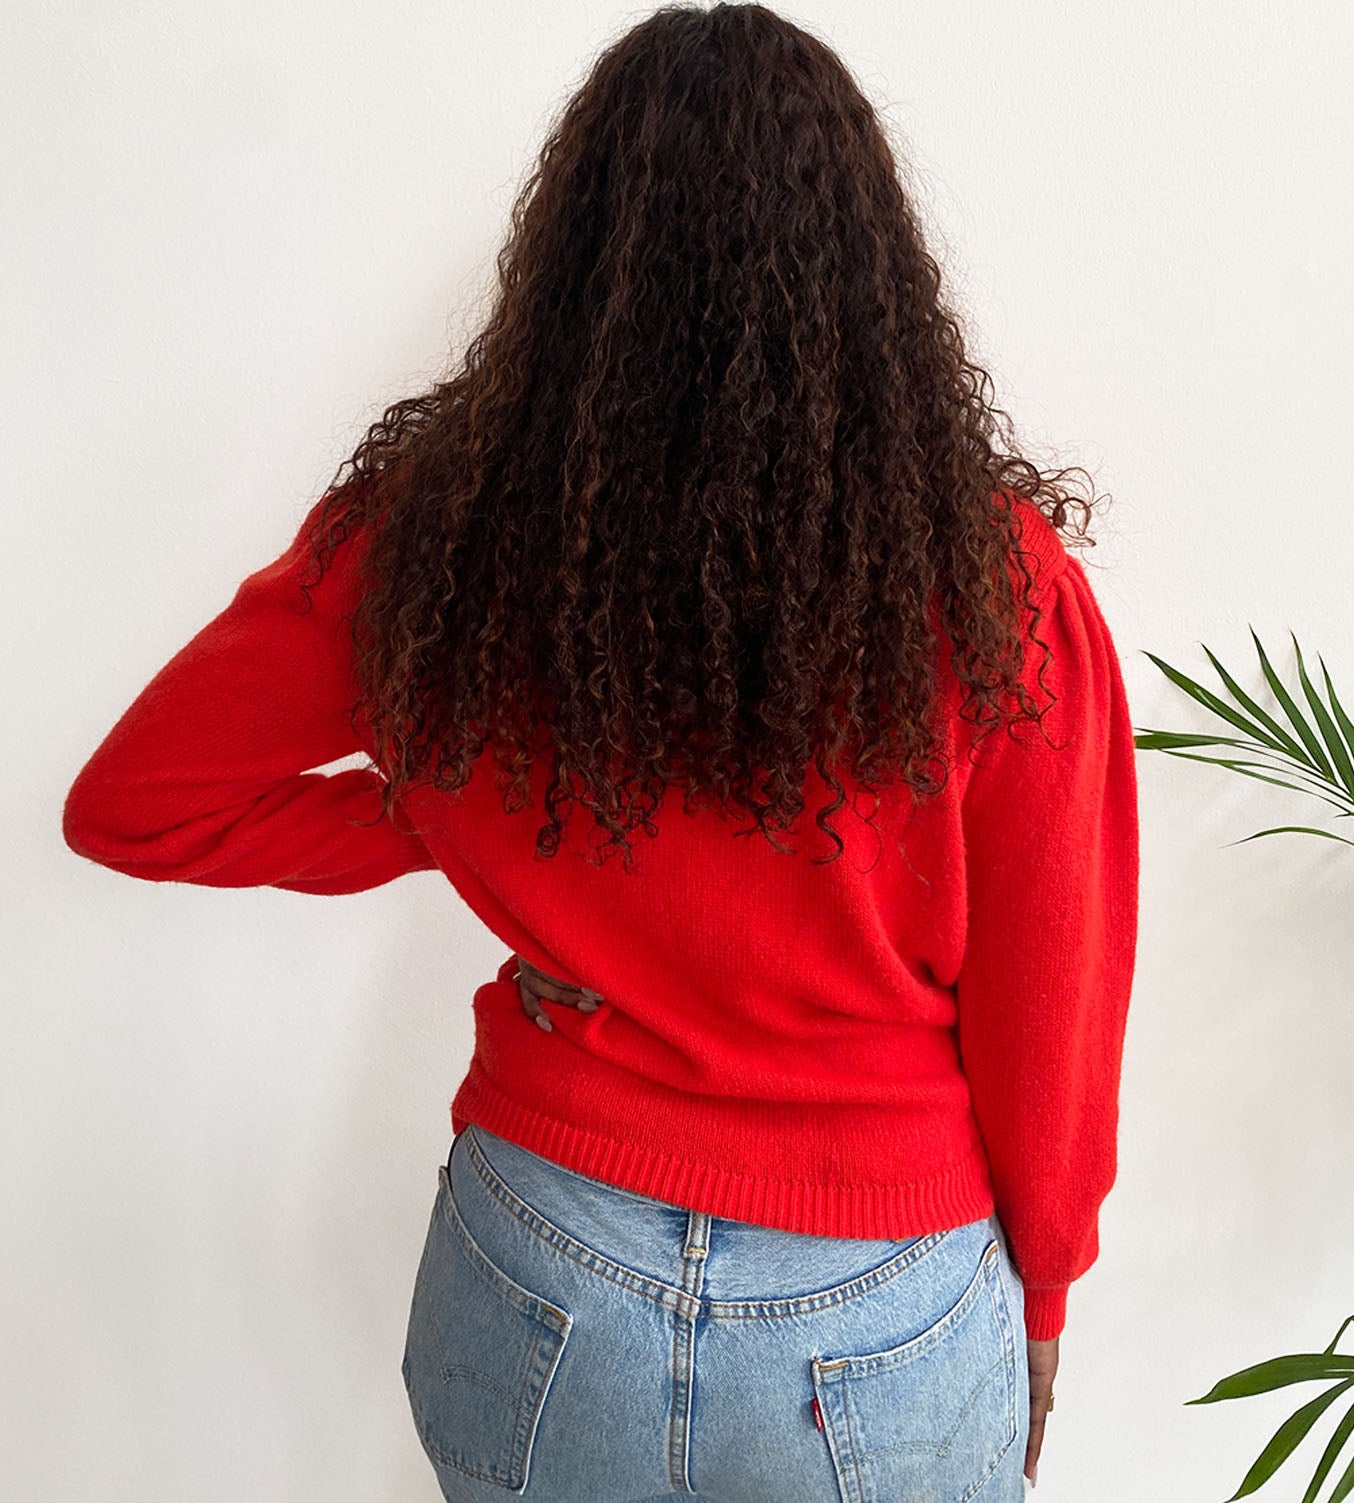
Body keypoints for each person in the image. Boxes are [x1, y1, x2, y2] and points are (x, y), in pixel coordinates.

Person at [61, 3, 1138, 1498]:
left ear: (571, 256)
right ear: (868, 266)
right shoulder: (998, 590)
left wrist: (447, 809)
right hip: (881, 1285)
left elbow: (141, 805)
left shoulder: (437, 539)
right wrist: (1049, 1286)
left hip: (543, 1248)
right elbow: (1051, 1000)